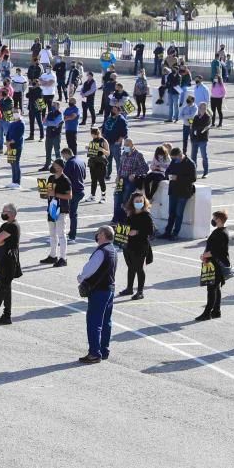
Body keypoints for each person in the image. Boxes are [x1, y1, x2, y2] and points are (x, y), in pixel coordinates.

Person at [77, 225, 117, 363]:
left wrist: (80, 278)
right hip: (110, 289)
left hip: (99, 291)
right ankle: (104, 350)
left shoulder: (101, 251)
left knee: (94, 322)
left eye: (98, 233)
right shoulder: (113, 250)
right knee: (106, 321)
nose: (96, 235)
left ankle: (94, 353)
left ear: (103, 235)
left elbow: (89, 269)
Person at [120, 191, 154, 300]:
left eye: (141, 201)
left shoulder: (146, 215)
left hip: (141, 245)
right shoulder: (130, 213)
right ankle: (129, 288)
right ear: (132, 202)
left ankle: (140, 292)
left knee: (139, 268)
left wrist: (137, 232)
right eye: (136, 201)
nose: (139, 203)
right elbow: (125, 226)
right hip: (129, 244)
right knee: (130, 267)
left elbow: (151, 230)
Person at [197, 210, 230, 321]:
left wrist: (205, 255)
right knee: (216, 288)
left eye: (214, 218)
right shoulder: (220, 231)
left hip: (216, 264)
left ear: (219, 220)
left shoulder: (221, 233)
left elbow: (217, 250)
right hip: (214, 263)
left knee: (211, 289)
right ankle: (216, 311)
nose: (213, 220)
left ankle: (207, 313)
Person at [85, 127, 109, 203]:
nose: (93, 136)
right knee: (93, 180)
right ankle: (92, 195)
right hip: (93, 163)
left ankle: (103, 196)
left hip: (101, 163)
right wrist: (88, 148)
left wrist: (102, 150)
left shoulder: (103, 141)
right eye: (92, 135)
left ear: (97, 133)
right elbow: (91, 151)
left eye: (93, 135)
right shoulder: (92, 141)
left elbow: (108, 153)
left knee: (101, 180)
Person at [190, 102, 211, 178]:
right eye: (201, 108)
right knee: (193, 157)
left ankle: (206, 172)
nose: (203, 110)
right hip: (195, 139)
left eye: (204, 108)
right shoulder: (195, 117)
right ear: (199, 108)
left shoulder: (207, 117)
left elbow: (203, 127)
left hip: (203, 139)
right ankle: (193, 172)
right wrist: (192, 137)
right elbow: (192, 127)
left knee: (204, 156)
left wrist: (196, 128)